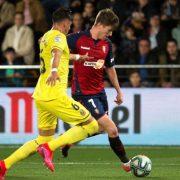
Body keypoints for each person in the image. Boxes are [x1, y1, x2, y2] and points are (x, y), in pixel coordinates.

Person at [0, 7, 100, 178]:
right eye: (69, 24)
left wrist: (78, 58)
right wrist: (54, 70)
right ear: (64, 23)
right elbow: (56, 53)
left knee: (42, 139)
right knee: (92, 125)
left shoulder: (46, 36)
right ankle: (49, 148)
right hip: (54, 95)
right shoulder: (59, 37)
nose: (70, 28)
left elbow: (60, 53)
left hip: (41, 95)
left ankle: (3, 165)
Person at [62, 8, 131, 172]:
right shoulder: (77, 39)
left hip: (99, 92)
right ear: (100, 25)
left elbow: (110, 68)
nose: (111, 34)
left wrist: (119, 91)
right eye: (109, 30)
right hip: (82, 93)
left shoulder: (107, 44)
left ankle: (68, 141)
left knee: (99, 128)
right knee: (112, 129)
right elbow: (54, 45)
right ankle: (128, 163)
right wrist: (46, 40)